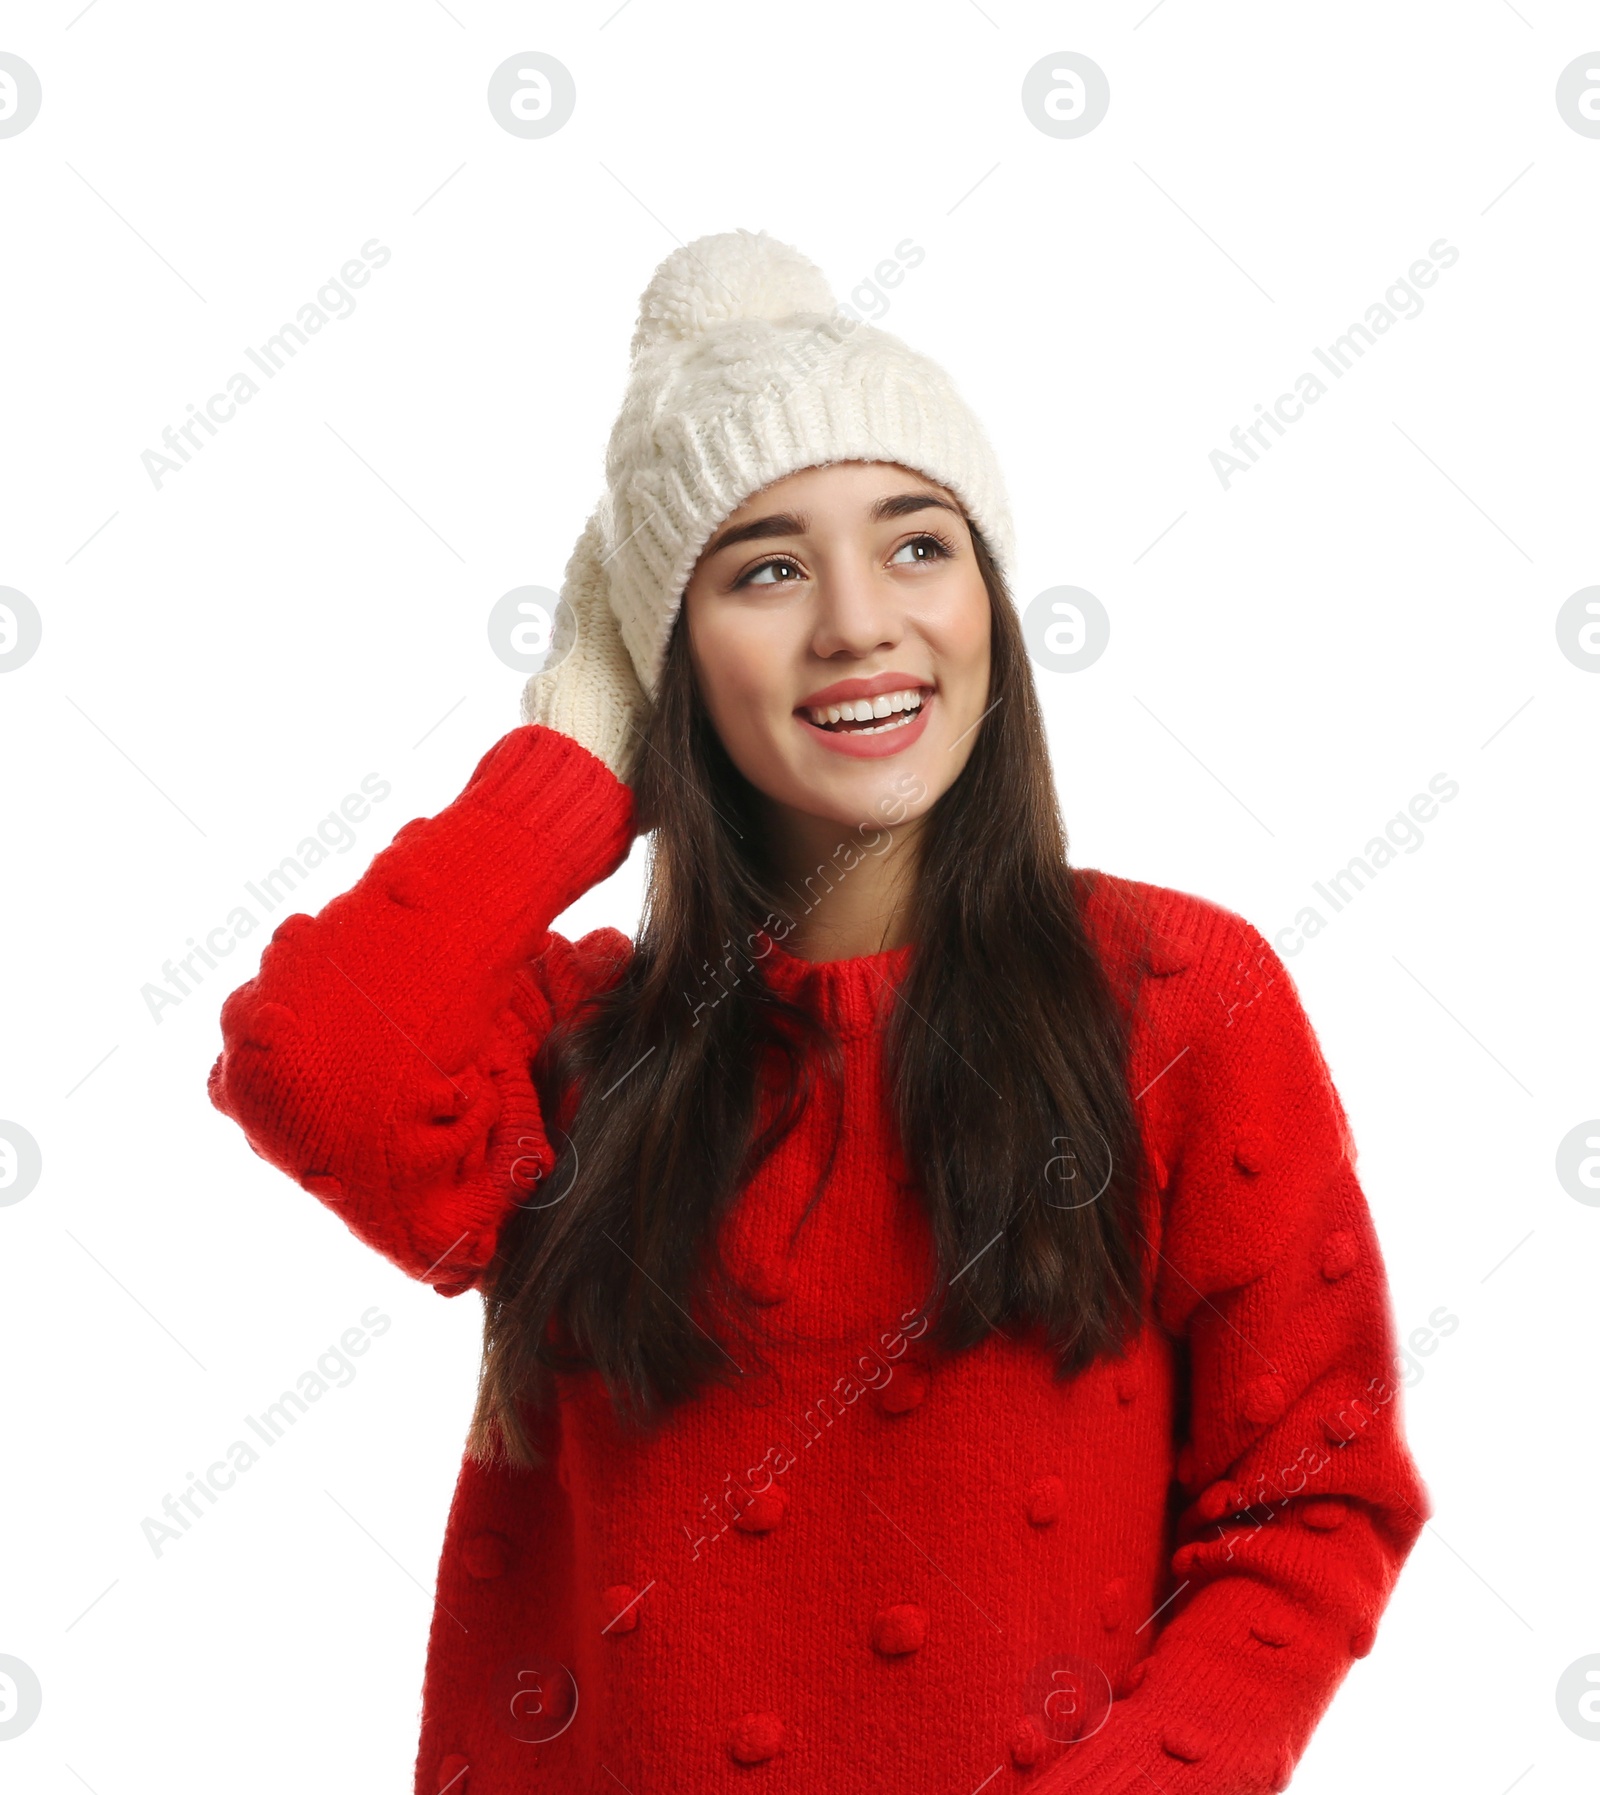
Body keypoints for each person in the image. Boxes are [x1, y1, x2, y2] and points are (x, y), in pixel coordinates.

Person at [207, 227, 1431, 1794]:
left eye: (919, 544)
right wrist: (579, 759)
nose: (859, 622)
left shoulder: (1178, 995)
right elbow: (313, 1055)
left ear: (990, 595)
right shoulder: (572, 1049)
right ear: (666, 660)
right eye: (766, 568)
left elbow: (1310, 1507)